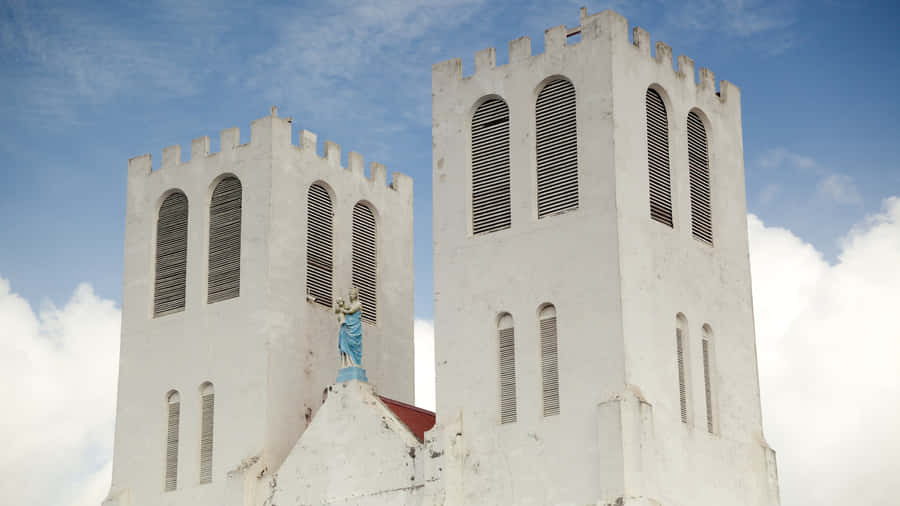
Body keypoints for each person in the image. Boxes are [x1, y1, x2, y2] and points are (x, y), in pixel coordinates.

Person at [334, 287, 363, 368]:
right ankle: (346, 362)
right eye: (350, 294)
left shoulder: (358, 304)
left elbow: (351, 311)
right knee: (343, 342)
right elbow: (342, 310)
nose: (350, 296)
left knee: (353, 345)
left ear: (356, 295)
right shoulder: (349, 305)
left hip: (354, 328)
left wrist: (342, 309)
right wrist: (340, 305)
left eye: (352, 294)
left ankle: (354, 362)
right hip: (346, 326)